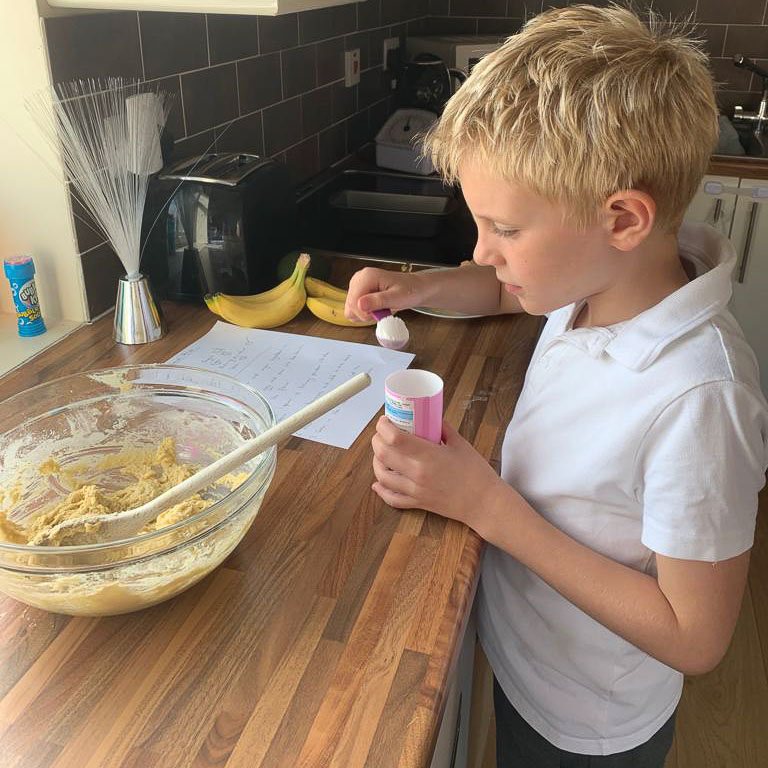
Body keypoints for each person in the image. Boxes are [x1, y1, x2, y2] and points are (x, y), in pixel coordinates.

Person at [344, 5, 768, 767]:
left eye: (505, 230)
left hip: (588, 721)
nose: (484, 249)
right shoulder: (599, 280)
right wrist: (419, 288)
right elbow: (509, 292)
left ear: (624, 219)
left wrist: (483, 505)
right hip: (530, 649)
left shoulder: (701, 398)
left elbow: (695, 636)